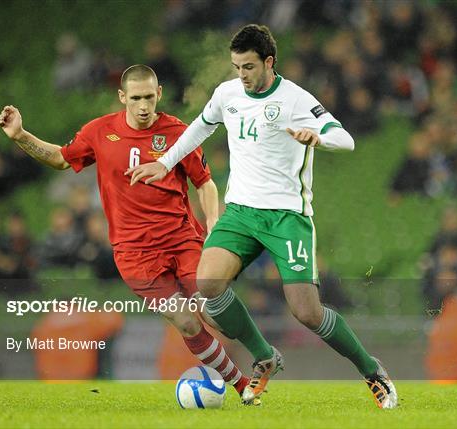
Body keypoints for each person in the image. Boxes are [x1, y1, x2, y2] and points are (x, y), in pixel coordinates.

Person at [127, 25, 398, 408]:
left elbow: (346, 138)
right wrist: (165, 163)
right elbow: (200, 128)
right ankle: (265, 356)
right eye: (237, 66)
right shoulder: (228, 93)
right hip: (240, 211)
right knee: (209, 282)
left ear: (269, 62)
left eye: (249, 67)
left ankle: (373, 370)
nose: (242, 75)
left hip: (287, 216)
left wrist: (317, 138)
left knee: (306, 311)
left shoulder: (295, 99)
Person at [0, 65, 254, 401]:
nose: (144, 105)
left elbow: (204, 183)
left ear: (158, 93)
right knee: (187, 322)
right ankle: (243, 386)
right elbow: (61, 158)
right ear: (123, 97)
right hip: (135, 255)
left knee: (213, 313)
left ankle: (263, 355)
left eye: (149, 97)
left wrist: (214, 226)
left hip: (183, 241)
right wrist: (20, 136)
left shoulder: (178, 132)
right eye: (136, 98)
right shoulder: (100, 132)